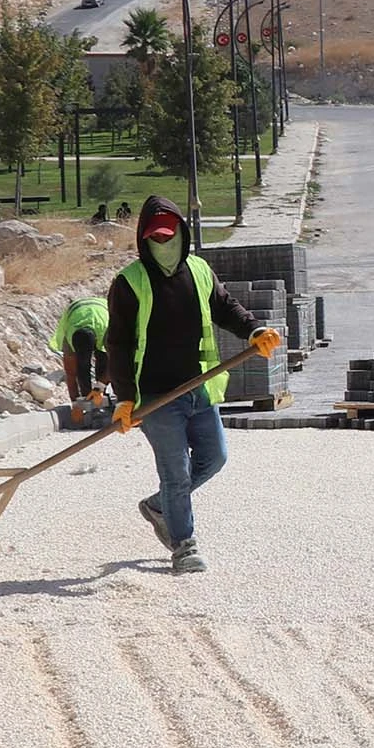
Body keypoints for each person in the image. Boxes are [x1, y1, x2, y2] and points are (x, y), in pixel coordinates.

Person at [103, 194, 277, 574]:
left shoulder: (199, 271)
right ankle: (184, 545)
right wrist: (125, 399)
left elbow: (226, 307)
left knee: (215, 458)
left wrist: (254, 330)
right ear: (144, 240)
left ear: (182, 234)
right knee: (176, 473)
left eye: (169, 237)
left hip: (199, 387)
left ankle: (160, 506)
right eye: (156, 239)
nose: (163, 245)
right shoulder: (129, 283)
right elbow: (117, 343)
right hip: (155, 397)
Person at [51, 294, 110, 409]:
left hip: (102, 311)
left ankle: (104, 397)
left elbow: (117, 363)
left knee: (104, 360)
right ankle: (88, 397)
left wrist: (100, 386)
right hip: (75, 312)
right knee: (82, 368)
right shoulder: (68, 341)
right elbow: (71, 375)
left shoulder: (107, 332)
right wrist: (76, 404)